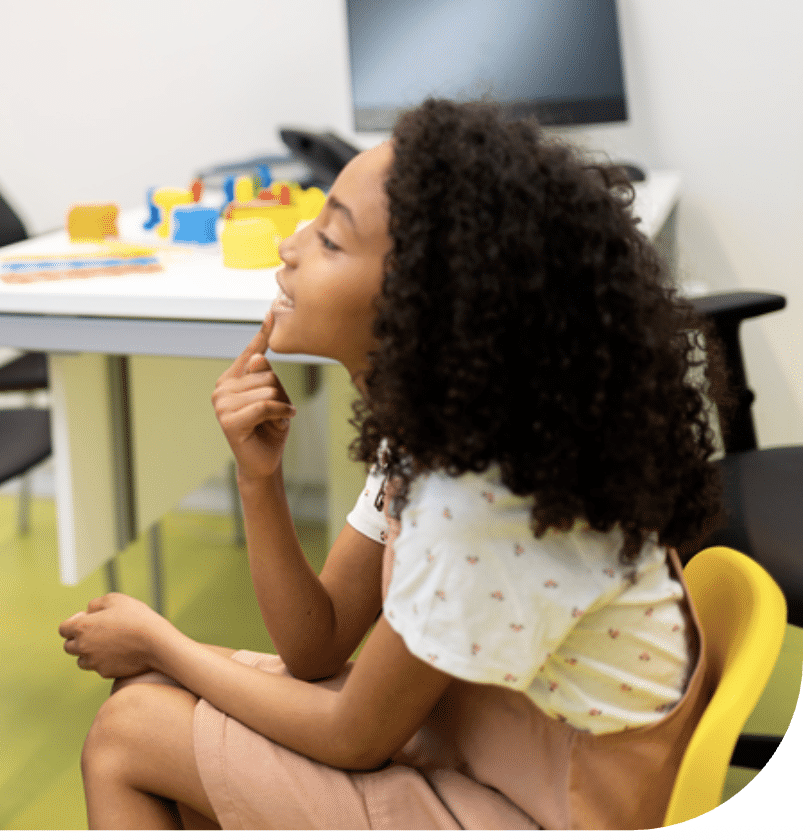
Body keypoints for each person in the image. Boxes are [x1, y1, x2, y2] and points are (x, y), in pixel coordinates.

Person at [58, 98, 726, 829]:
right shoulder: (442, 432)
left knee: (129, 733)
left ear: (423, 306)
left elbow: (354, 736)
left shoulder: (480, 502)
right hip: (482, 764)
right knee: (154, 694)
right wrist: (259, 477)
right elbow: (317, 646)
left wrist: (161, 636)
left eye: (332, 242)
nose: (291, 245)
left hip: (539, 813)